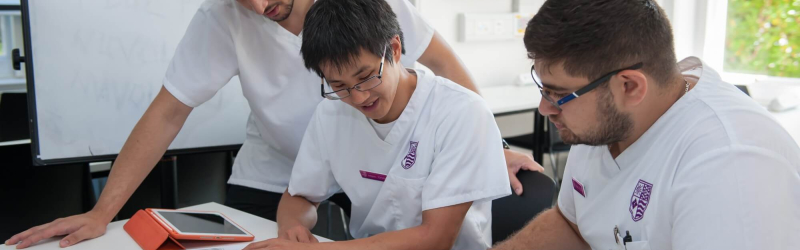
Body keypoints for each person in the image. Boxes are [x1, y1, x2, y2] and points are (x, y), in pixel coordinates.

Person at [4, 0, 542, 249]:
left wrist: (487, 146)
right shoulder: (329, 108)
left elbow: (443, 66)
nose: (263, 6)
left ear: (391, 49)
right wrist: (104, 212)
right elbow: (169, 109)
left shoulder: (375, 28)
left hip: (387, 165)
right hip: (292, 161)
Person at [492, 0, 800, 249]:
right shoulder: (604, 122)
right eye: (543, 88)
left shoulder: (730, 164)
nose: (545, 108)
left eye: (559, 94)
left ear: (629, 87)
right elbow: (572, 225)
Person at [241, 0, 510, 249]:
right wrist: (293, 230)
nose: (358, 97)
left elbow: (436, 238)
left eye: (366, 77)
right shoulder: (331, 113)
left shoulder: (460, 112)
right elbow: (299, 196)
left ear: (394, 49)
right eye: (338, 85)